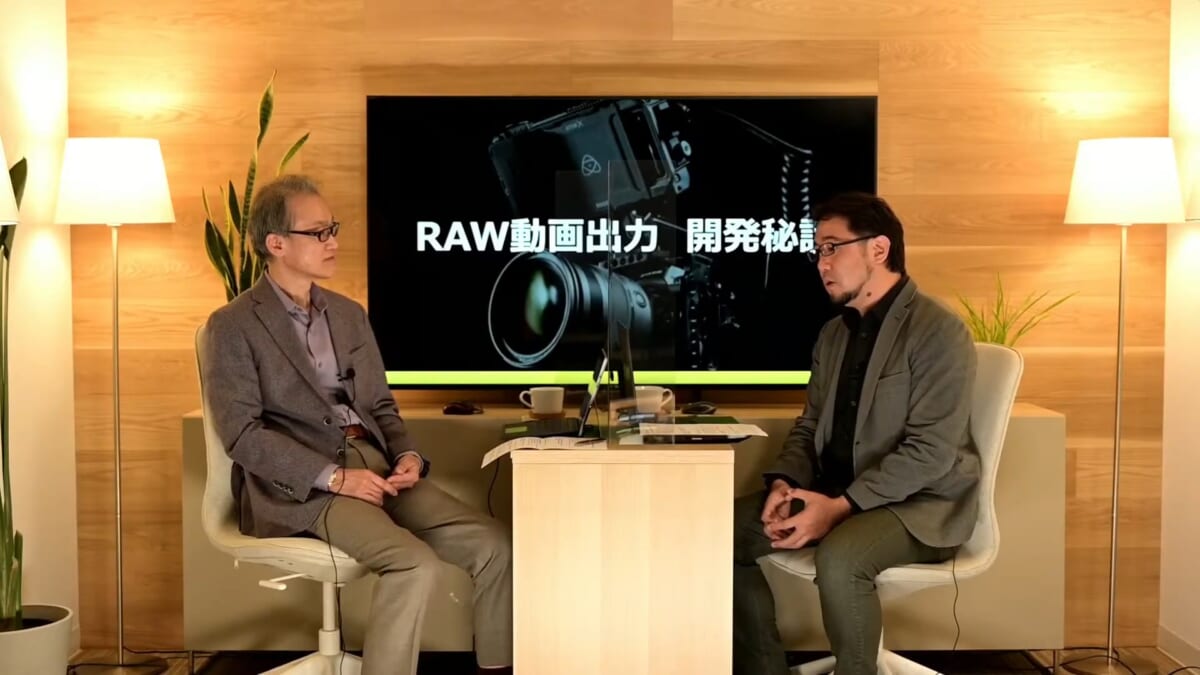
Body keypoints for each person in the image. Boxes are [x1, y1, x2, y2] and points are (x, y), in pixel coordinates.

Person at [198, 174, 512, 675]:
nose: (333, 242)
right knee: (413, 563)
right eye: (317, 232)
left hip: (378, 466)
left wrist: (407, 456)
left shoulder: (348, 314)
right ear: (276, 244)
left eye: (333, 229)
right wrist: (335, 477)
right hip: (305, 487)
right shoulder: (232, 325)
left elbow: (380, 405)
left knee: (495, 547)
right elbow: (242, 435)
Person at [732, 192, 978, 675]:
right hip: (835, 493)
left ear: (878, 249)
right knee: (720, 531)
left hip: (919, 505)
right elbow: (809, 427)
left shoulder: (938, 331)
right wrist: (784, 483)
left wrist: (840, 507)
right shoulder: (833, 334)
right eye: (817, 251)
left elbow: (930, 452)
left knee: (841, 558)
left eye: (832, 248)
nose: (821, 263)